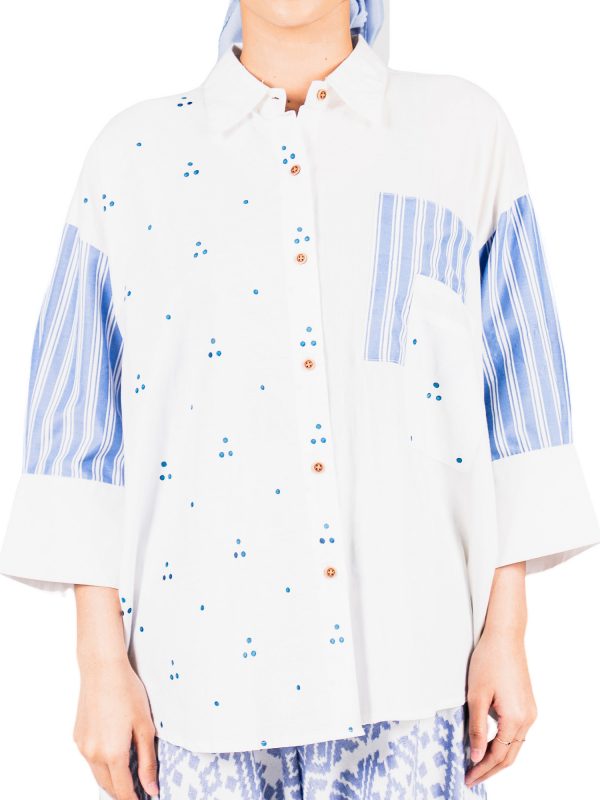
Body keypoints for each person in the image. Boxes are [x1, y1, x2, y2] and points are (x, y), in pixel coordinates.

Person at [1, 1, 598, 798]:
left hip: (415, 677)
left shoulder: (463, 132)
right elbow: (77, 434)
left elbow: (520, 406)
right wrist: (99, 665)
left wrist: (509, 632)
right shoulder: (130, 158)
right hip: (199, 691)